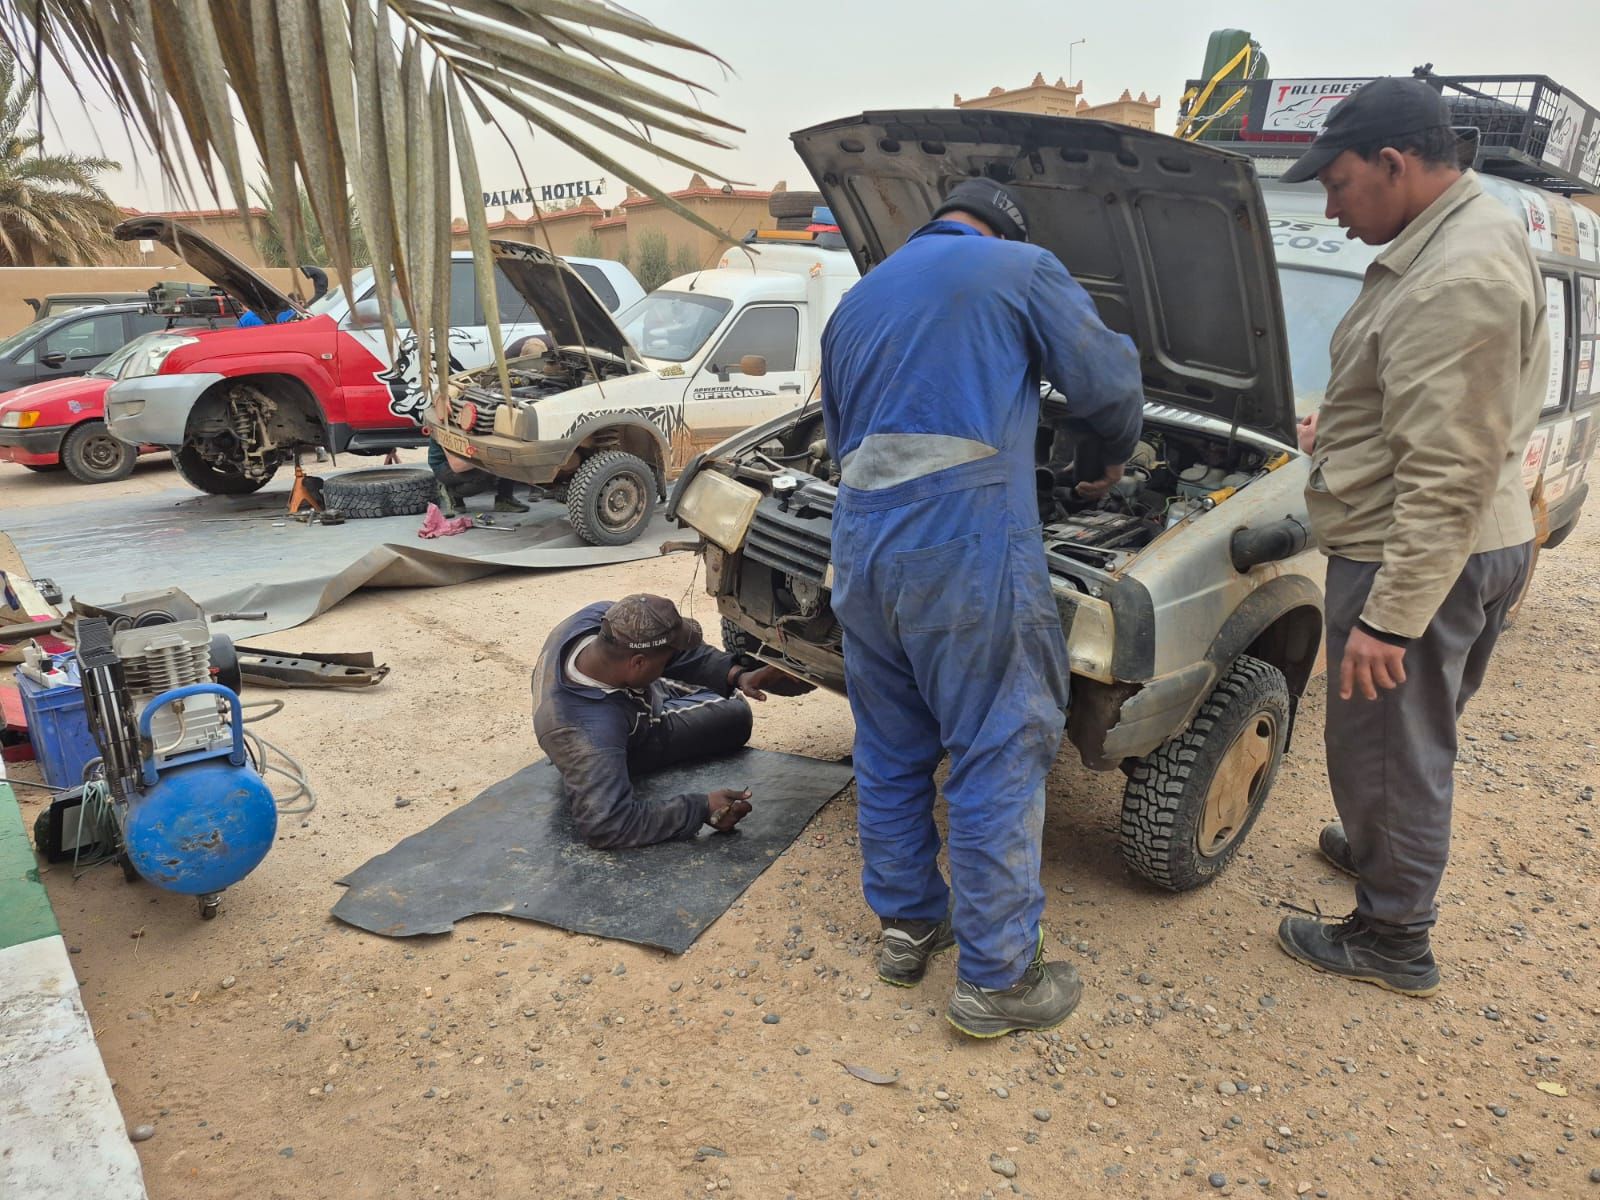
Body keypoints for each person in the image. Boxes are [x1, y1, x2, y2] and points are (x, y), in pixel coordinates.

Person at [820, 179, 1144, 1037]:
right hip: (961, 543)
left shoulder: (855, 300)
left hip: (860, 545)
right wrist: (1105, 460)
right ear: (1003, 230)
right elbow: (1108, 387)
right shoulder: (1022, 267)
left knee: (890, 745)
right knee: (998, 743)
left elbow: (842, 427)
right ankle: (1000, 980)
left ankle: (908, 924)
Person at [1274, 78, 1544, 997]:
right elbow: (1436, 417)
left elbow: (1445, 473)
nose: (1332, 207)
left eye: (1340, 185)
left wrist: (1388, 621)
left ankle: (1394, 939)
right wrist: (1337, 433)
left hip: (1419, 551)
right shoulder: (1467, 229)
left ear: (1395, 164)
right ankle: (1378, 846)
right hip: (1470, 537)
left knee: (1391, 743)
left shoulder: (1454, 275)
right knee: (1410, 736)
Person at [532, 595, 809, 849]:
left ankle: (663, 680)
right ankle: (660, 688)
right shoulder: (591, 737)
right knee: (735, 715)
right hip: (630, 736)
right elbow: (606, 825)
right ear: (638, 663)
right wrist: (700, 808)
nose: (670, 659)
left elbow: (669, 651)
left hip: (627, 693)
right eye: (665, 660)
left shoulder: (601, 619)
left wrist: (735, 674)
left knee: (702, 681)